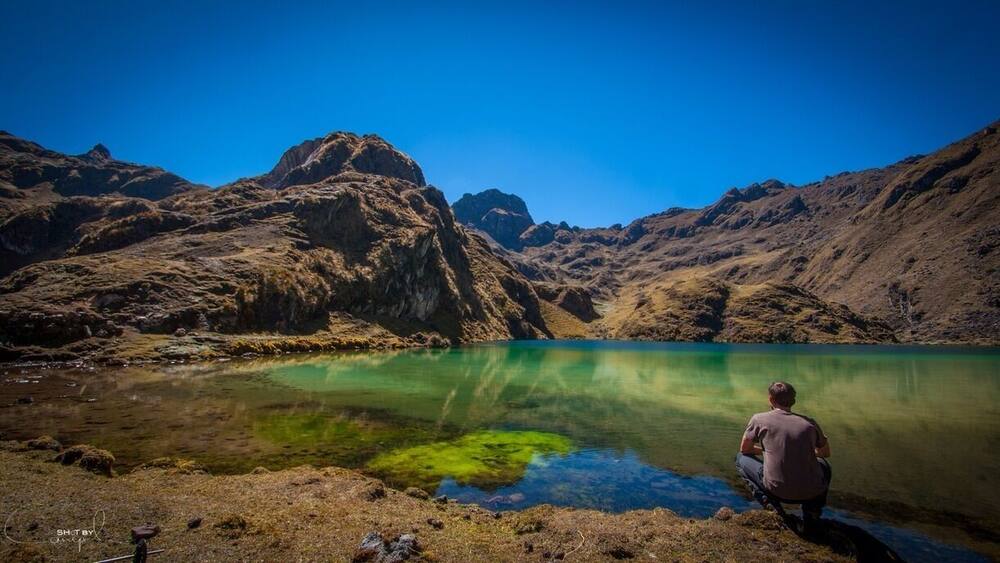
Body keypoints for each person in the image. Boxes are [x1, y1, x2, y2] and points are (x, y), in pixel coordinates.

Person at [735, 381, 831, 533]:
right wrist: (799, 451)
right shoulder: (810, 424)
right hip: (812, 492)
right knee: (824, 465)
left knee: (741, 458)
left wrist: (769, 451)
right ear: (793, 401)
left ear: (771, 400)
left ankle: (773, 507)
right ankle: (812, 513)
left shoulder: (759, 419)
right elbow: (825, 453)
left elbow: (745, 449)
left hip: (777, 489)